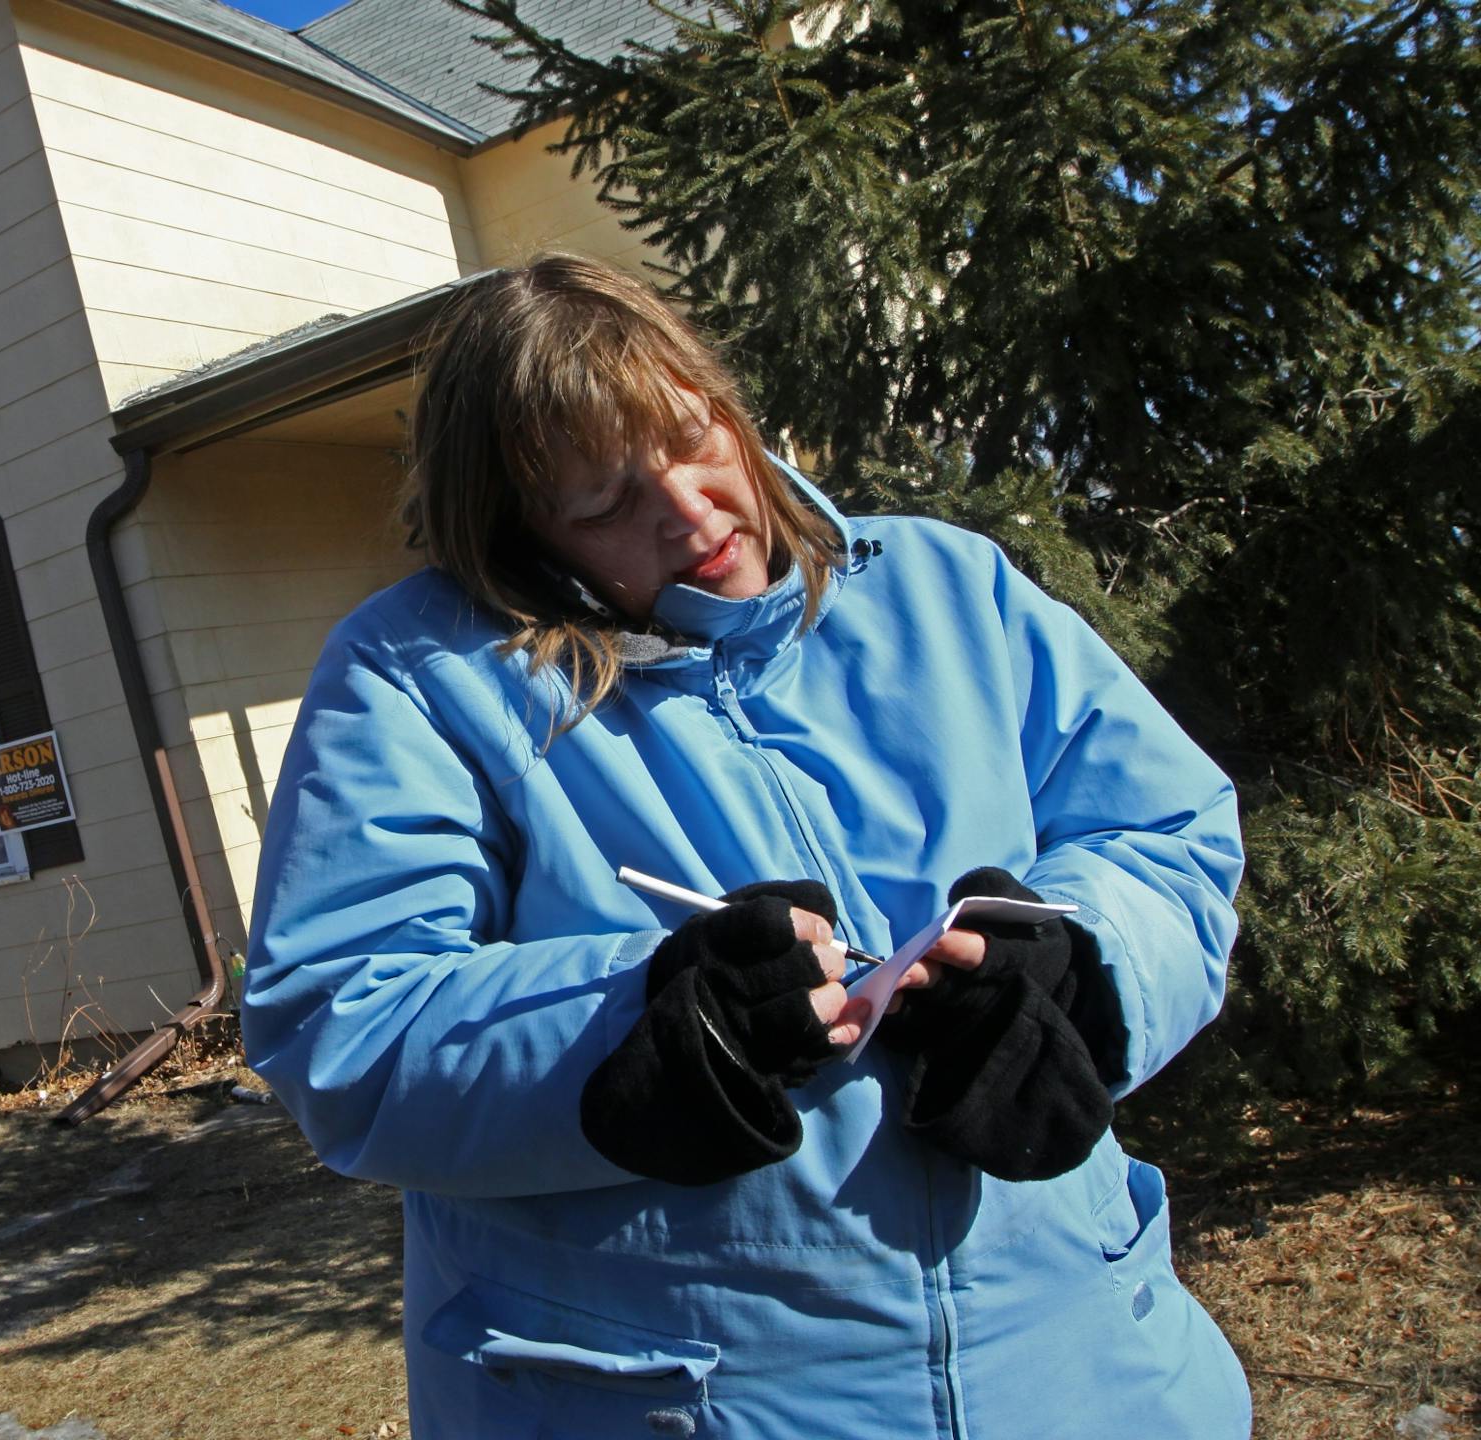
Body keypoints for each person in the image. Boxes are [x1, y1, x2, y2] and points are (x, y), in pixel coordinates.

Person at [241, 254, 1249, 1439]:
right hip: (680, 1402)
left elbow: (1168, 833)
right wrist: (635, 1031)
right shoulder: (421, 678)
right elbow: (339, 1018)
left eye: (689, 434)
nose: (689, 506)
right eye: (606, 502)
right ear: (521, 539)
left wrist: (1077, 969)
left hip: (1086, 1376)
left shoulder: (944, 585)